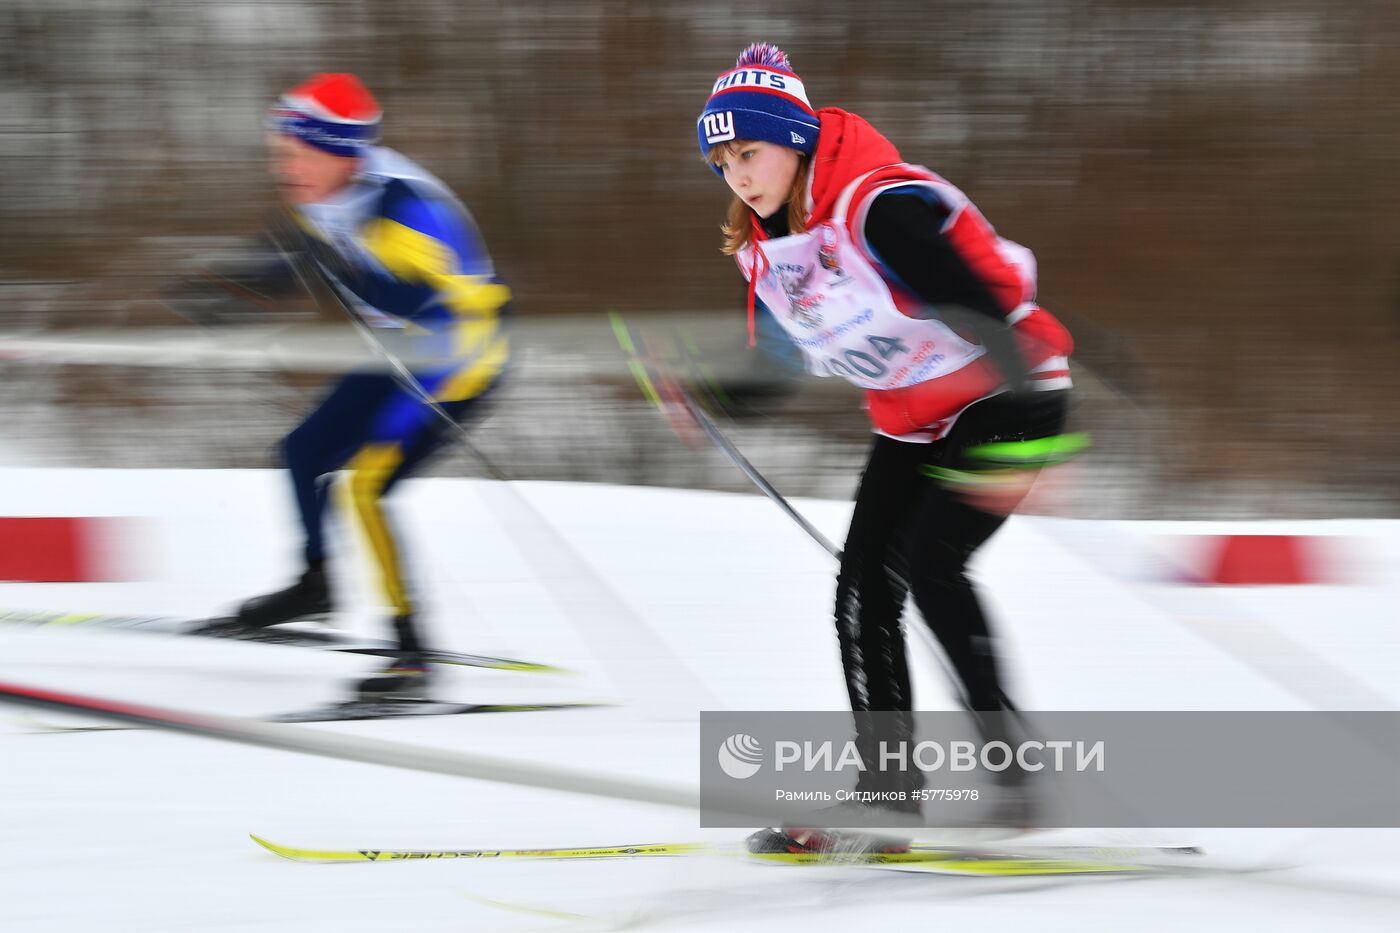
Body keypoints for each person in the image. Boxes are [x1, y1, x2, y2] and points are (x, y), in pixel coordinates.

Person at [696, 44, 1076, 852]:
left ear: (795, 140)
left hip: (1013, 393)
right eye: (722, 160)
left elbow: (981, 305)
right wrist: (710, 399)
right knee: (862, 591)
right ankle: (889, 793)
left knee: (932, 564)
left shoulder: (880, 206)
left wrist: (1052, 447)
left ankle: (1016, 779)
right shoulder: (772, 249)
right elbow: (783, 359)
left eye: (750, 152)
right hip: (917, 415)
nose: (738, 173)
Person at [215, 73, 511, 697]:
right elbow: (297, 249)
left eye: (295, 154)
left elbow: (423, 300)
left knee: (367, 488)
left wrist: (337, 262)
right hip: (396, 353)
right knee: (302, 453)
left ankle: (412, 655)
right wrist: (236, 289)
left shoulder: (405, 211)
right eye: (280, 153)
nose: (285, 168)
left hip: (459, 360)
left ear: (338, 152)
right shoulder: (320, 187)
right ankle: (315, 584)